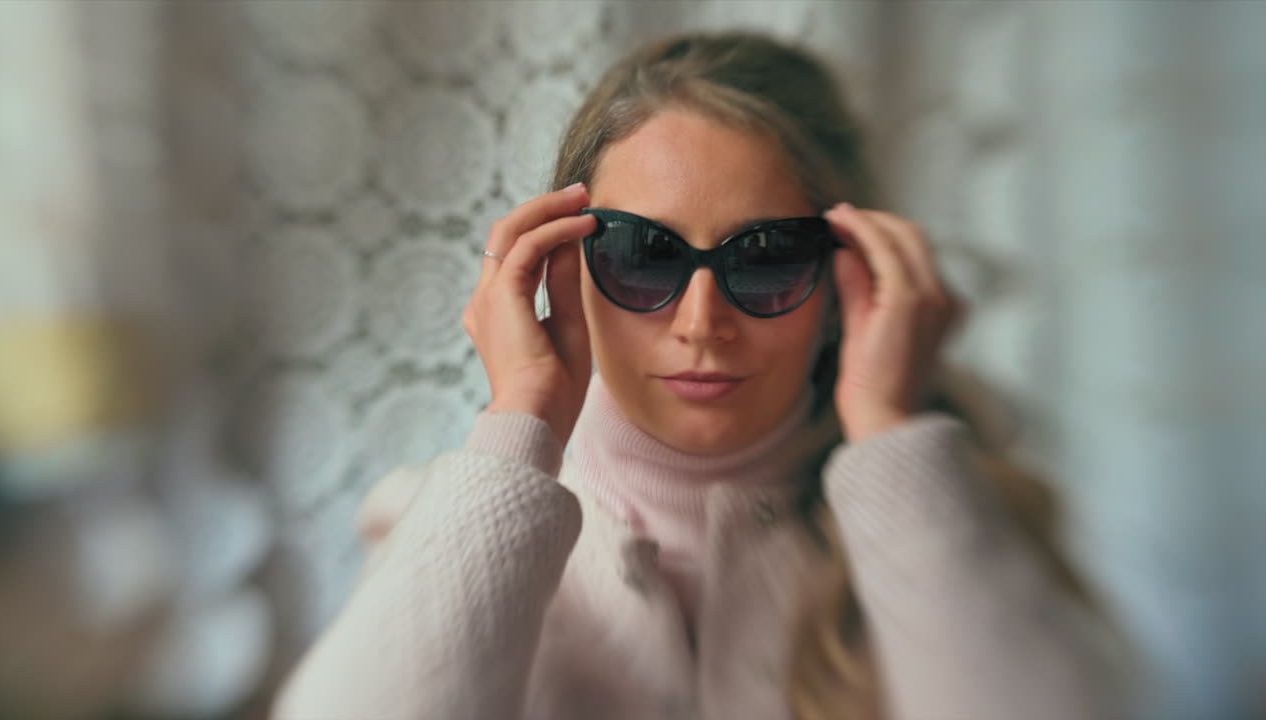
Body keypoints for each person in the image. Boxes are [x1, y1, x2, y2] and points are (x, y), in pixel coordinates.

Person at [272, 31, 1131, 720]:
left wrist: (893, 433)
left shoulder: (947, 516)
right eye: (644, 255)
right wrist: (520, 420)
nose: (700, 323)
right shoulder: (449, 524)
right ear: (564, 269)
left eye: (765, 259)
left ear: (848, 278)